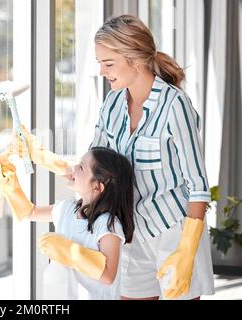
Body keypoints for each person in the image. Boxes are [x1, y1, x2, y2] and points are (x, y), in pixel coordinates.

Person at [89, 15, 214, 300]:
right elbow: (94, 167)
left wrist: (187, 250)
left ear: (134, 59)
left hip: (173, 233)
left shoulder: (174, 105)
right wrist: (40, 157)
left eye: (108, 64)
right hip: (130, 233)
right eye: (100, 63)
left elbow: (197, 186)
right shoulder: (112, 105)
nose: (101, 72)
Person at [0, 146, 134, 299]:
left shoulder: (108, 224)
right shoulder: (67, 209)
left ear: (97, 186)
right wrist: (9, 184)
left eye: (81, 167)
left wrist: (70, 251)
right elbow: (30, 212)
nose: (73, 167)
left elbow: (108, 275)